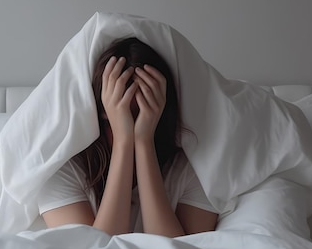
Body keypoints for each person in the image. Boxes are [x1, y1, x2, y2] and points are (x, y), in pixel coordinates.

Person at [37, 37, 219, 237]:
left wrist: (144, 142)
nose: (131, 128)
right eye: (113, 122)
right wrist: (123, 142)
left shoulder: (195, 169)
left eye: (143, 117)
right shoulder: (62, 169)